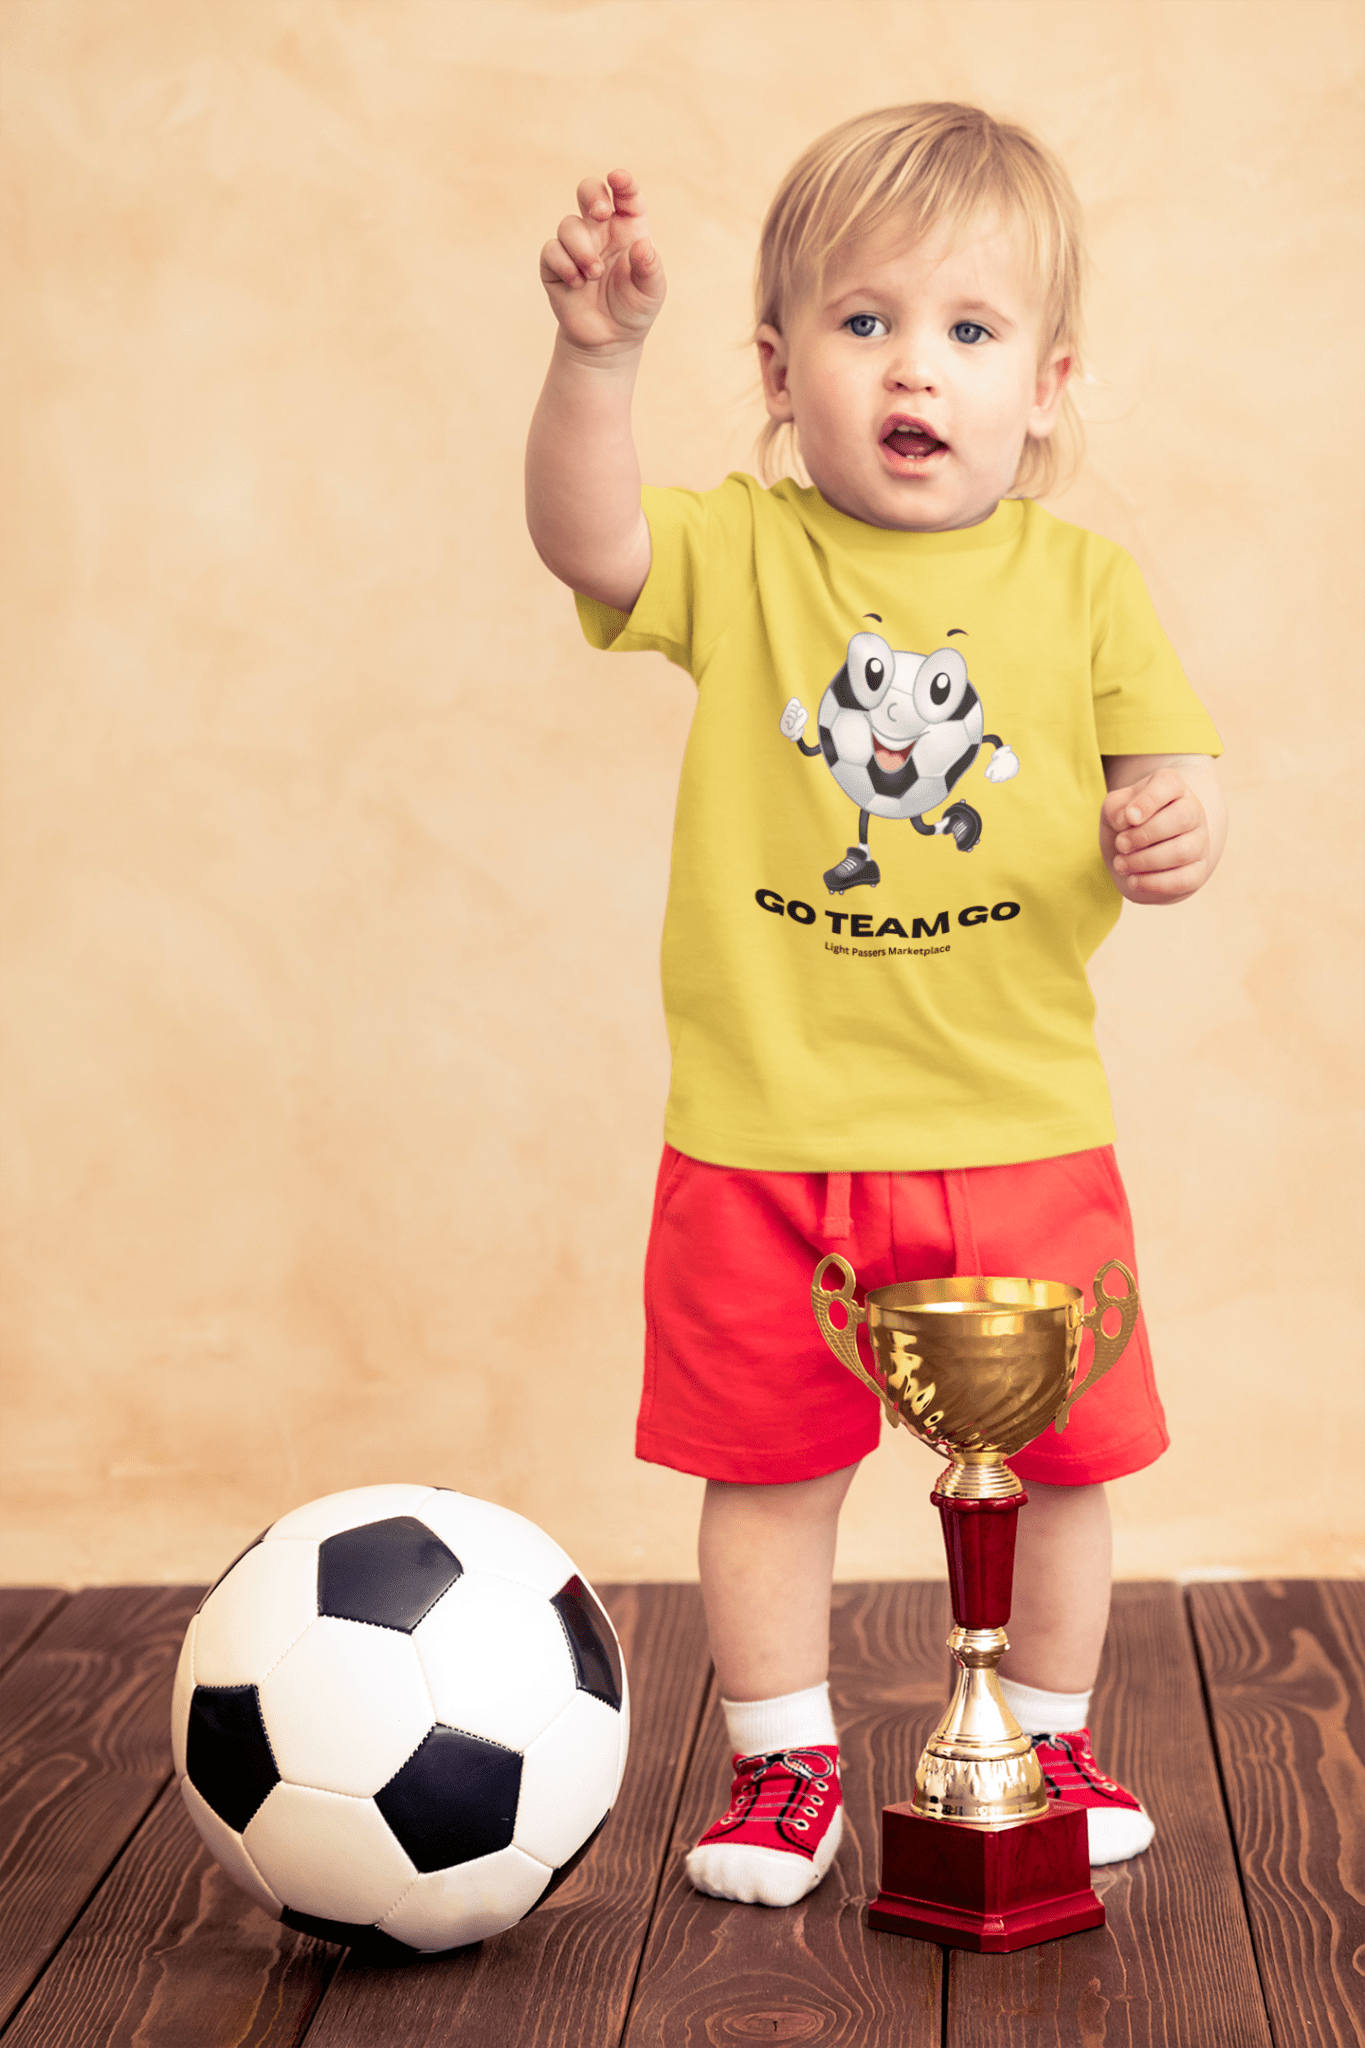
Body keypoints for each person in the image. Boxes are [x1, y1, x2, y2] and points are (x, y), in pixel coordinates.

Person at [525, 103, 1225, 1910]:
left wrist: (1171, 828)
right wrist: (596, 361)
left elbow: (1179, 779)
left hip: (1018, 1130)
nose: (917, 368)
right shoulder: (749, 555)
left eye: (971, 333)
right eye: (864, 323)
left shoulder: (1085, 586)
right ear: (776, 368)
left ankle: (1046, 1734)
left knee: (1062, 1463)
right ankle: (785, 1763)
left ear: (1048, 386)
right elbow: (588, 543)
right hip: (770, 1137)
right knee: (766, 1477)